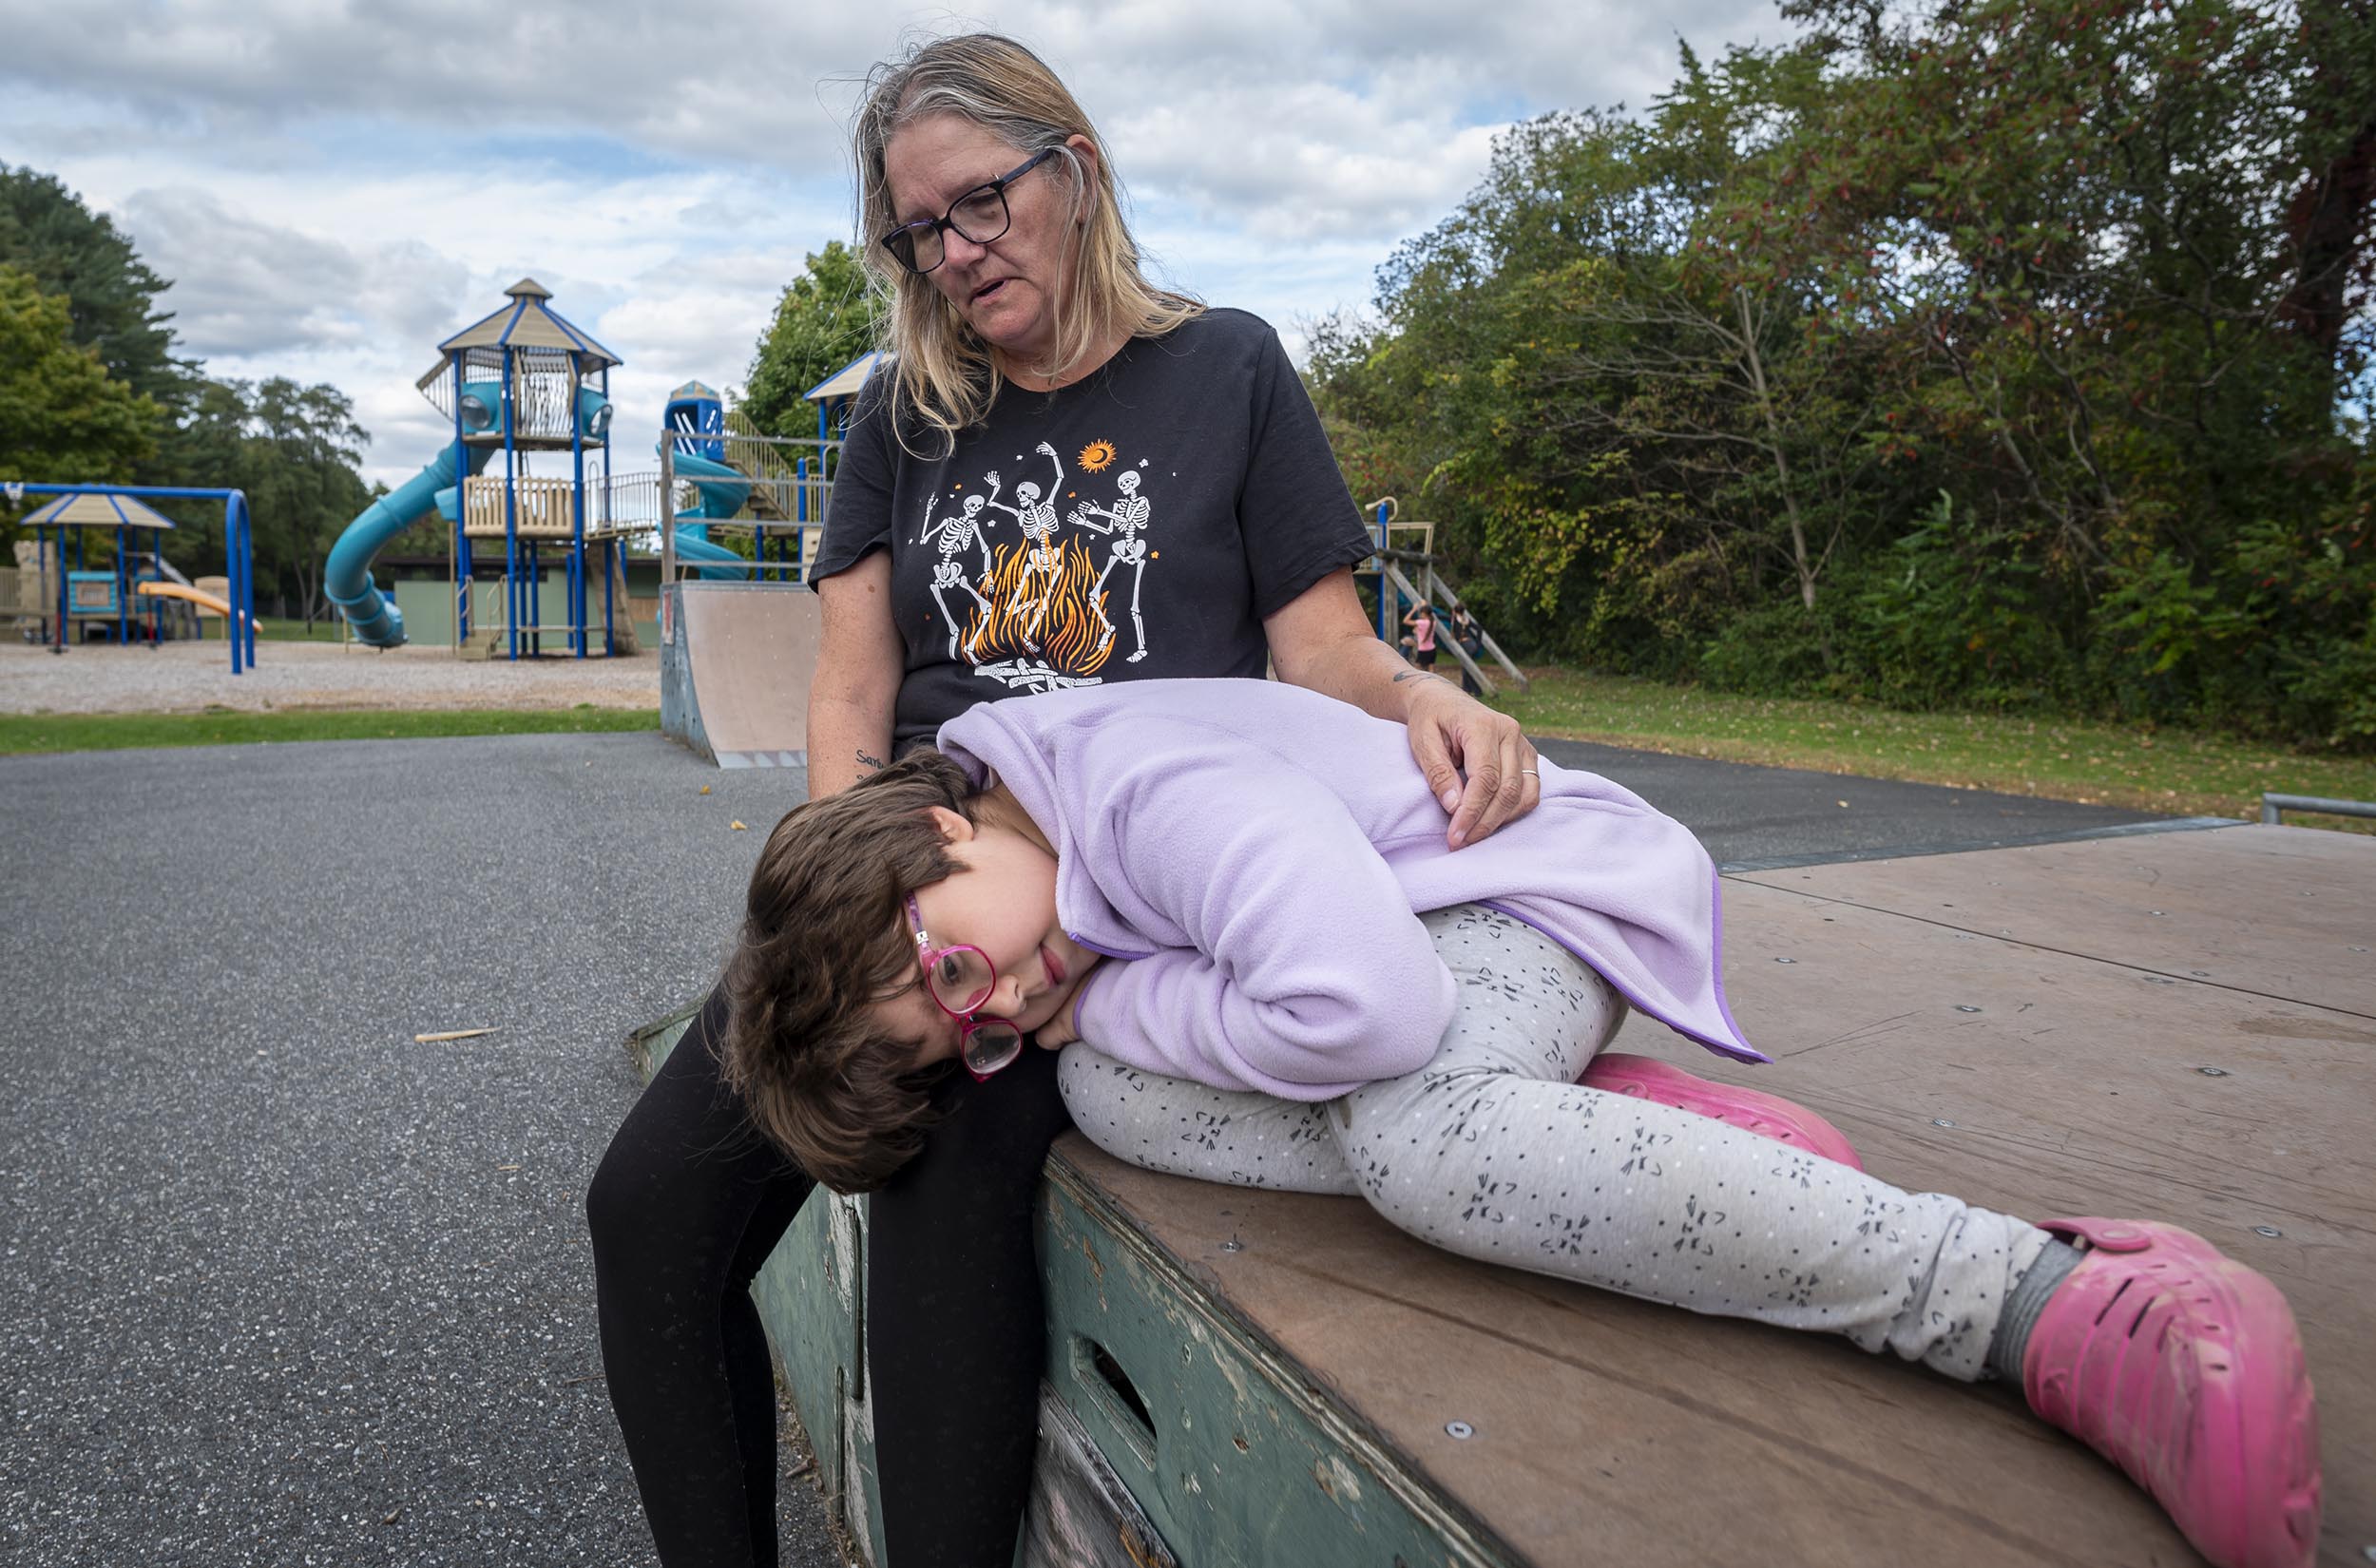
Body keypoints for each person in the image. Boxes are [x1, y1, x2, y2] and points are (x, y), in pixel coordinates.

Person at [585, 33, 1545, 1568]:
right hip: (917, 869)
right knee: (644, 1209)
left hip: (1103, 897)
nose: (954, 256)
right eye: (919, 232)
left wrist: (1424, 696)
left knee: (940, 1170)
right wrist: (856, 914)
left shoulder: (1228, 372)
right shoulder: (909, 412)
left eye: (979, 205)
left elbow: (1327, 652)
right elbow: (848, 684)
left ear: (1075, 172)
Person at [724, 677, 2323, 1568]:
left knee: (1414, 1140)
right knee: (1115, 1093)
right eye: (965, 1035)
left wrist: (1117, 1004)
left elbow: (1365, 1018)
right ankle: (1610, 1142)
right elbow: (1266, 1017)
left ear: (938, 826)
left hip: (1528, 902)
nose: (1000, 1000)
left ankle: (2054, 1298)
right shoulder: (1042, 856)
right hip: (1421, 949)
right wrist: (1098, 1029)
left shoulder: (1134, 796)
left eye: (952, 966)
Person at [1447, 603, 1485, 695]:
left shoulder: (1455, 620)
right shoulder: (1466, 620)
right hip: (1471, 644)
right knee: (1466, 667)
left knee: (1467, 668)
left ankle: (1475, 691)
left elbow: (1444, 617)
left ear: (1455, 611)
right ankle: (1468, 689)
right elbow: (1479, 629)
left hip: (1467, 645)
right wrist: (1478, 644)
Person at [1404, 602, 1438, 671]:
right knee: (1431, 671)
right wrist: (1424, 605)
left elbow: (1405, 621)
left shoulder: (1421, 623)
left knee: (1417, 671)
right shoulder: (1433, 622)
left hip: (1423, 650)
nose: (1420, 614)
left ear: (1425, 614)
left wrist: (1413, 609)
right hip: (1432, 650)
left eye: (1421, 613)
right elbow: (1431, 614)